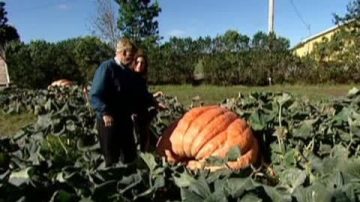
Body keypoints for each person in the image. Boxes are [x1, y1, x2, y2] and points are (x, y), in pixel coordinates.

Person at [90, 38, 157, 166]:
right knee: (111, 158)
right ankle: (112, 182)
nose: (132, 60)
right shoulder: (107, 67)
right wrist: (105, 112)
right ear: (124, 53)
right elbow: (95, 95)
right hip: (109, 122)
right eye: (131, 56)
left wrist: (153, 101)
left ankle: (130, 183)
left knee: (130, 155)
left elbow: (137, 93)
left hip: (124, 121)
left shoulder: (126, 72)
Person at [130, 49, 166, 151]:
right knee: (138, 142)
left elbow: (144, 96)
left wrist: (155, 102)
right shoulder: (129, 77)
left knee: (145, 140)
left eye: (142, 63)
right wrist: (155, 103)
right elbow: (134, 97)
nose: (139, 65)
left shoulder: (141, 79)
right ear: (134, 62)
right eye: (137, 62)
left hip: (142, 115)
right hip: (134, 117)